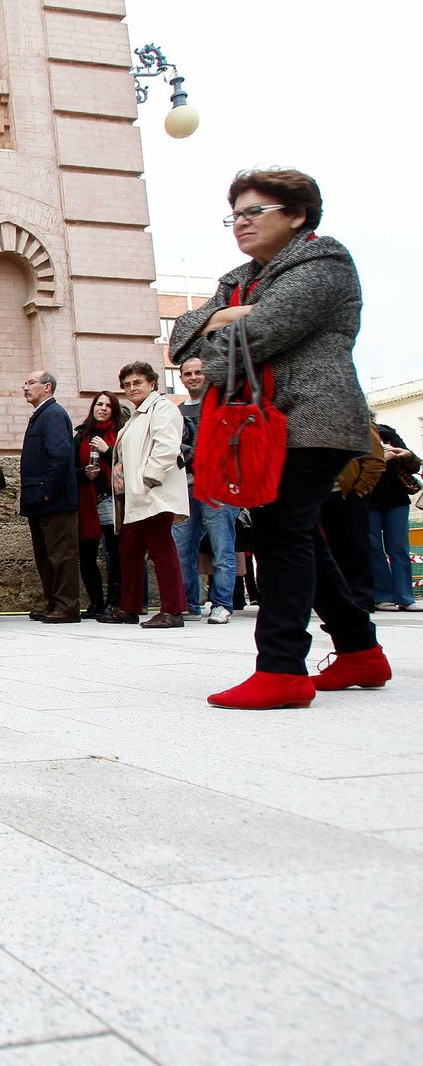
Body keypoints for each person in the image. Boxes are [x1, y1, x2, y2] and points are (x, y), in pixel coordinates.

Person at [169, 168, 389, 708]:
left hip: (313, 418)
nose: (240, 223)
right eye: (235, 214)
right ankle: (360, 652)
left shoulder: (324, 262)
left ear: (297, 214)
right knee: (293, 534)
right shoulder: (238, 277)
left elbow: (263, 332)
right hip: (263, 422)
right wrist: (228, 316)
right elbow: (179, 342)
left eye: (254, 211)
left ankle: (282, 668)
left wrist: (220, 332)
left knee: (282, 533)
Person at [97, 361, 187, 629]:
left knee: (161, 550)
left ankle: (173, 610)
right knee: (129, 551)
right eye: (126, 385)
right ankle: (129, 607)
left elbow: (167, 446)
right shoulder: (136, 417)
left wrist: (150, 478)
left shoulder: (163, 408)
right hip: (136, 498)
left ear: (152, 384)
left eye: (137, 382)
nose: (131, 388)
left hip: (154, 493)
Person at [171, 355, 240, 624]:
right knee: (181, 549)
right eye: (188, 374)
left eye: (198, 372)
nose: (193, 378)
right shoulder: (177, 411)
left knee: (223, 548)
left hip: (218, 486)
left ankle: (223, 604)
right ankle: (189, 604)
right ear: (181, 379)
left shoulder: (222, 404)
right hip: (186, 487)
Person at [19, 370, 79, 622]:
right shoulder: (40, 415)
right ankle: (53, 603)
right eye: (25, 382)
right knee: (45, 556)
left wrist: (46, 492)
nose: (25, 387)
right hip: (39, 502)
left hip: (54, 501)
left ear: (47, 387)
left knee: (61, 555)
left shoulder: (53, 414)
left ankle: (66, 606)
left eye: (31, 382)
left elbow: (60, 455)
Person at [320, 425, 385, 613]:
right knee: (329, 552)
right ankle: (341, 600)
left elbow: (375, 461)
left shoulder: (358, 420)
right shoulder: (313, 422)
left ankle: (361, 600)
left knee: (356, 549)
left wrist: (359, 491)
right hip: (319, 497)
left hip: (347, 494)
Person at [72, 391, 124, 619]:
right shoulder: (81, 435)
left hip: (112, 501)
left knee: (115, 554)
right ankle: (95, 602)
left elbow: (128, 464)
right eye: (99, 404)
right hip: (87, 502)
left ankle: (114, 602)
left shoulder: (120, 434)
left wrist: (107, 451)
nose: (102, 408)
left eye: (108, 405)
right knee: (87, 554)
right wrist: (84, 473)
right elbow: (69, 469)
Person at [369, 424, 420, 611]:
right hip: (367, 498)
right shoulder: (354, 432)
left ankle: (405, 597)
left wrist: (408, 455)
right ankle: (383, 596)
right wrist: (381, 458)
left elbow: (414, 465)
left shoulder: (388, 433)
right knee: (373, 549)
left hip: (396, 498)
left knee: (399, 548)